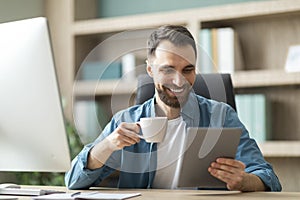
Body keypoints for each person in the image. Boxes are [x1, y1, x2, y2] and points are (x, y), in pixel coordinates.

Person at [65, 25, 282, 191]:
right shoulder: (127, 120)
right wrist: (108, 145)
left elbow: (269, 178)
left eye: (187, 70)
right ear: (150, 70)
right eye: (168, 70)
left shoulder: (221, 116)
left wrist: (244, 181)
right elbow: (73, 180)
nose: (179, 81)